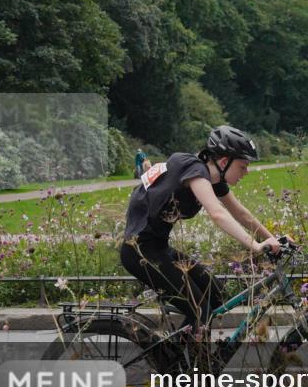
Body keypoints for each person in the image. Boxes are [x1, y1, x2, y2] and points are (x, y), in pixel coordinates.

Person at [120, 126, 285, 332]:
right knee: (200, 312)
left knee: (217, 295)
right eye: (243, 166)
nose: (246, 171)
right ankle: (181, 362)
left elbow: (241, 213)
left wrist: (274, 240)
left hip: (159, 248)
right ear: (224, 162)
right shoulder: (193, 169)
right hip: (139, 252)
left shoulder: (213, 179)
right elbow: (217, 213)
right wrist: (255, 246)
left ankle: (182, 351)